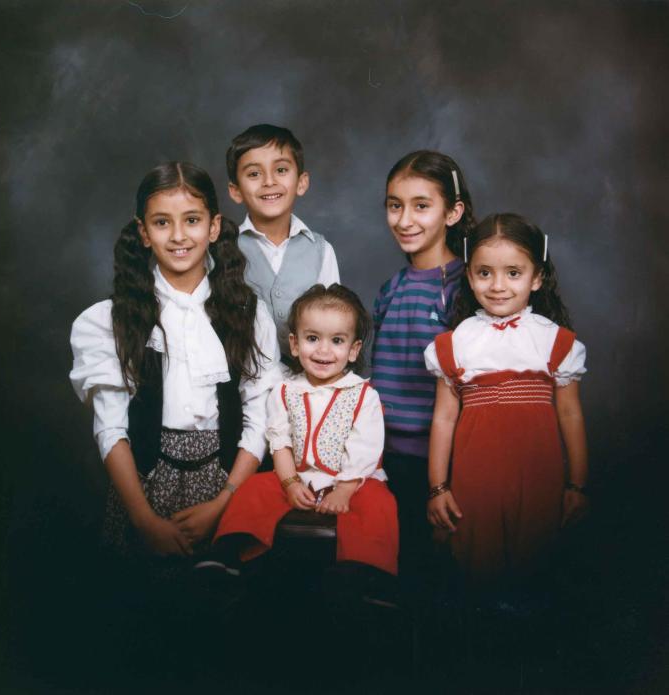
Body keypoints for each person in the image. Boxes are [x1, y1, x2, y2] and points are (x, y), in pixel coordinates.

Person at [69, 162, 280, 569]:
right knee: (145, 610)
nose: (179, 236)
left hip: (226, 481)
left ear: (214, 227)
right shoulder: (111, 320)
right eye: (163, 223)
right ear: (144, 233)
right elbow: (110, 427)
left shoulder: (248, 315)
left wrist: (223, 503)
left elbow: (259, 418)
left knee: (222, 610)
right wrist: (144, 519)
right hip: (145, 483)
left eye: (193, 220)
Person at [424, 212, 589, 587]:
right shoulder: (457, 344)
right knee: (477, 572)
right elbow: (444, 419)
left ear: (537, 278)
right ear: (469, 275)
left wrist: (577, 486)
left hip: (539, 480)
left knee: (535, 571)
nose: (498, 286)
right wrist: (438, 488)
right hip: (474, 480)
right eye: (485, 273)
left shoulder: (554, 342)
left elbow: (570, 415)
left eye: (513, 273)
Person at [213, 284, 399, 577]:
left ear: (353, 350)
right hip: (298, 474)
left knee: (380, 504)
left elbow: (365, 448)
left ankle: (364, 574)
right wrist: (289, 484)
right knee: (254, 489)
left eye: (337, 340)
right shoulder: (285, 391)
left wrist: (344, 491)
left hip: (352, 479)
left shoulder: (363, 394)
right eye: (313, 338)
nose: (324, 350)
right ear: (295, 344)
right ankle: (230, 556)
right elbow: (280, 443)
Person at [371, 150, 475, 572]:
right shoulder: (391, 288)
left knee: (440, 570)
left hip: (441, 463)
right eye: (395, 206)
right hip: (382, 458)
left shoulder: (467, 289)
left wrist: (444, 480)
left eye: (421, 206)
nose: (404, 219)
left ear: (452, 212)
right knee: (392, 566)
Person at [226, 124, 340, 364]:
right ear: (236, 191)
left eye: (280, 170)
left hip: (307, 384)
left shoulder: (321, 250)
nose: (269, 181)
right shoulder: (224, 249)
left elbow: (334, 321)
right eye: (254, 174)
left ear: (301, 182)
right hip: (245, 384)